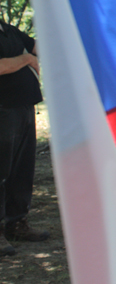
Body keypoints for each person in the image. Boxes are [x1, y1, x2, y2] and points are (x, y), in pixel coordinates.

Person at [0, 20, 49, 256]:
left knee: (22, 169)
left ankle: (16, 223)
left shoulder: (7, 29)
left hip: (24, 107)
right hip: (3, 109)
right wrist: (27, 60)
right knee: (1, 170)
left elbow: (38, 46)